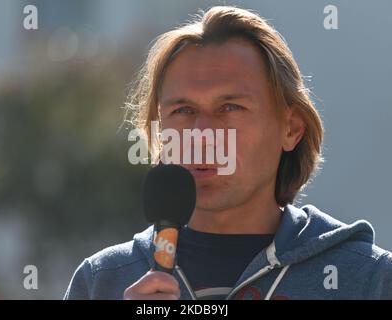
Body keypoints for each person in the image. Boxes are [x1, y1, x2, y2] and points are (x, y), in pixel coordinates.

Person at [64, 6, 392, 300]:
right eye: (183, 110)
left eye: (230, 107)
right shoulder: (102, 281)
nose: (203, 135)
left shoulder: (369, 279)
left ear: (291, 128)